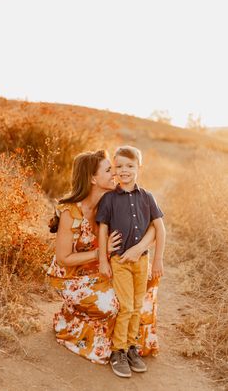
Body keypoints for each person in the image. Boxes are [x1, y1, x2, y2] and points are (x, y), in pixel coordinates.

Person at [47, 149, 156, 365]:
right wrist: (100, 252)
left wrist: (139, 248)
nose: (115, 173)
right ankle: (73, 322)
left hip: (102, 268)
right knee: (113, 304)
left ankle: (129, 343)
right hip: (71, 276)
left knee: (145, 285)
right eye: (109, 170)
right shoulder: (71, 213)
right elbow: (62, 259)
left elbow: (153, 223)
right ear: (93, 178)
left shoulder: (112, 200)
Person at [96, 146, 166, 377]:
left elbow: (160, 229)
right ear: (114, 169)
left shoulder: (147, 197)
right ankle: (118, 351)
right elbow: (103, 229)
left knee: (137, 307)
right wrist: (104, 261)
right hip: (119, 261)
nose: (124, 170)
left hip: (142, 261)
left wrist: (158, 260)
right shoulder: (109, 198)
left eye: (130, 166)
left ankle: (131, 348)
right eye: (119, 166)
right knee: (126, 307)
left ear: (139, 168)